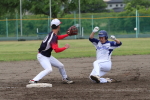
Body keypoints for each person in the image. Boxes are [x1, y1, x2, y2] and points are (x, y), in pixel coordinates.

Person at [29, 18, 74, 84]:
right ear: (59, 26)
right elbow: (56, 50)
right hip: (42, 56)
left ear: (51, 26)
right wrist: (65, 47)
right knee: (49, 69)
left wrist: (67, 35)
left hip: (47, 55)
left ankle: (65, 78)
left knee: (61, 66)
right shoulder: (53, 37)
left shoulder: (52, 34)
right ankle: (33, 80)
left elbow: (58, 37)